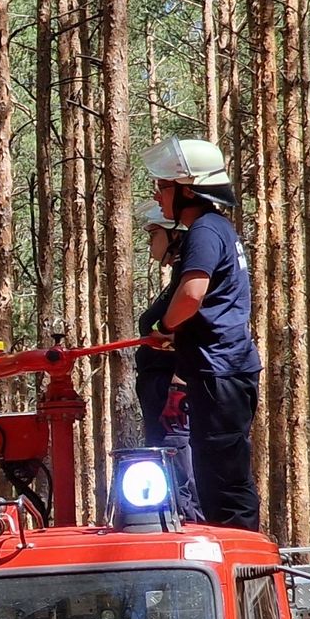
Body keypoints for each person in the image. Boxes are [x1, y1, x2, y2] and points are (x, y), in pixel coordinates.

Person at [144, 137, 262, 531]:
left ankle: (237, 560)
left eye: (163, 186)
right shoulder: (216, 229)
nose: (158, 195)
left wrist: (165, 327)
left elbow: (192, 294)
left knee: (223, 481)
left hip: (220, 373)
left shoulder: (205, 231)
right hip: (220, 371)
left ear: (187, 189)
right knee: (218, 476)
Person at [134, 202, 201, 519]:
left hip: (173, 398)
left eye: (153, 235)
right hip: (158, 393)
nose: (149, 243)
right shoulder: (176, 281)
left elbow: (193, 333)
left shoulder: (188, 281)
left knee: (178, 466)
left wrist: (178, 386)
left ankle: (190, 523)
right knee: (167, 464)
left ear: (175, 235)